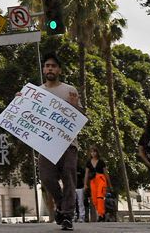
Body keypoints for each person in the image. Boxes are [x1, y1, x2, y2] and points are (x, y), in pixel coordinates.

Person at [34, 53, 80, 231]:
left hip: (68, 143)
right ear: (44, 69)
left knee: (69, 176)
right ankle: (61, 205)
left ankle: (67, 215)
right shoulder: (37, 92)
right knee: (46, 177)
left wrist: (75, 105)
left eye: (53, 66)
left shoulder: (70, 90)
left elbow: (80, 117)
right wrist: (21, 101)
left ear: (59, 70)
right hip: (46, 144)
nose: (50, 68)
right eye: (47, 66)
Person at [82, 147, 107, 223]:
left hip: (101, 179)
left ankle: (101, 215)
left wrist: (109, 184)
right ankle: (101, 213)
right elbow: (86, 174)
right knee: (94, 200)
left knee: (100, 196)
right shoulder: (88, 162)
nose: (93, 153)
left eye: (94, 152)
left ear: (97, 153)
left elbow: (106, 173)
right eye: (92, 152)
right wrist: (85, 184)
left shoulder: (101, 162)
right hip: (93, 181)